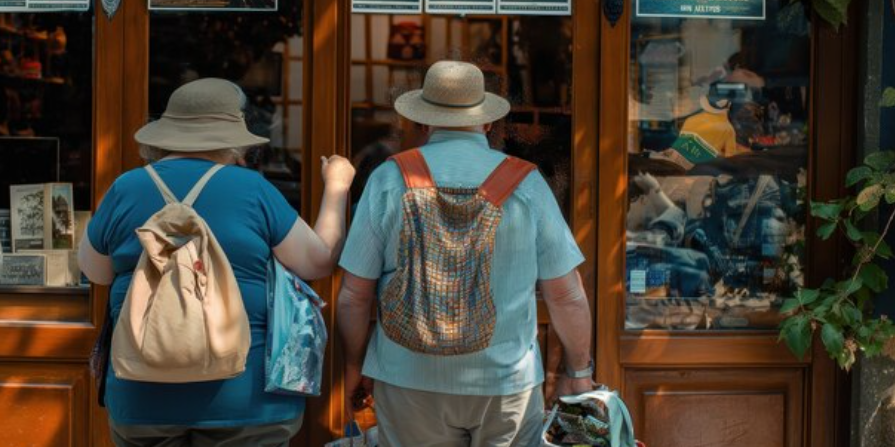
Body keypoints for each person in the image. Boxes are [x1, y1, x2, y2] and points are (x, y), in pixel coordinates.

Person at [78, 78, 355, 447]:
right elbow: (317, 262)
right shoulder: (252, 189)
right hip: (248, 398)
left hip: (142, 399)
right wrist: (336, 188)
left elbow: (95, 272)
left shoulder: (126, 187)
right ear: (234, 138)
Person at [336, 60, 596, 447]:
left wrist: (355, 365)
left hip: (407, 378)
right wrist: (579, 370)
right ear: (488, 124)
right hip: (506, 383)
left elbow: (354, 294)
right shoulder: (526, 183)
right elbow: (566, 294)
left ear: (423, 123)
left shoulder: (389, 179)